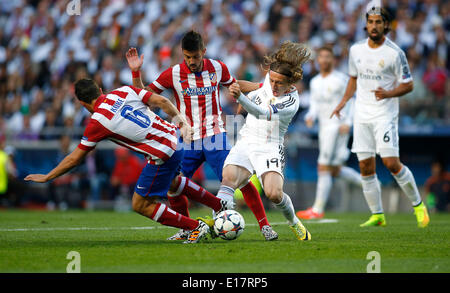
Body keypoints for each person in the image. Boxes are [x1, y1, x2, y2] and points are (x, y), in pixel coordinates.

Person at [25, 78, 234, 244]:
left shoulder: (97, 121)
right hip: (174, 138)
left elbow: (75, 159)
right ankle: (219, 204)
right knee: (172, 183)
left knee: (140, 204)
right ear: (99, 89)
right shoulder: (123, 91)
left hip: (161, 152)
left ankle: (195, 227)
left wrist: (48, 176)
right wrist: (182, 122)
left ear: (82, 103)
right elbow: (162, 101)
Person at [126, 30, 277, 241]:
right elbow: (144, 97)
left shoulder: (217, 67)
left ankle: (265, 226)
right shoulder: (173, 74)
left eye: (195, 57)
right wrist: (135, 73)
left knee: (241, 179)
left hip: (215, 136)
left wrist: (263, 88)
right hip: (187, 139)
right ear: (182, 53)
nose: (192, 61)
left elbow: (235, 85)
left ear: (203, 52)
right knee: (174, 184)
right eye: (187, 57)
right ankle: (189, 229)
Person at [331, 5, 430, 228]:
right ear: (366, 24)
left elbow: (409, 84)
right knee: (365, 166)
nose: (374, 26)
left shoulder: (395, 53)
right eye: (371, 22)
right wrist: (343, 102)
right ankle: (378, 215)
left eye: (378, 22)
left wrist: (389, 93)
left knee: (391, 163)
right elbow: (353, 79)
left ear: (386, 25)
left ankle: (418, 205)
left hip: (385, 115)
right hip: (361, 114)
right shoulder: (356, 50)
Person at [223, 41, 312, 241]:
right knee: (228, 178)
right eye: (271, 80)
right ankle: (218, 222)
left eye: (279, 82)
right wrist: (235, 86)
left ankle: (293, 222)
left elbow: (263, 113)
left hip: (269, 147)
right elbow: (257, 88)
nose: (273, 86)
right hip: (247, 140)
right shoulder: (269, 81)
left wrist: (241, 99)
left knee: (274, 194)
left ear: (290, 83)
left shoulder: (291, 101)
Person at [296, 47, 362, 219]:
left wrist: (348, 122)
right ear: (317, 60)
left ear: (333, 60)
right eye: (321, 57)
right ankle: (370, 184)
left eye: (327, 57)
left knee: (323, 166)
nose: (324, 60)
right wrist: (311, 116)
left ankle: (317, 209)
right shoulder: (315, 81)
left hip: (337, 127)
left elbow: (351, 100)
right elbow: (315, 105)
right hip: (324, 128)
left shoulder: (341, 79)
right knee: (335, 170)